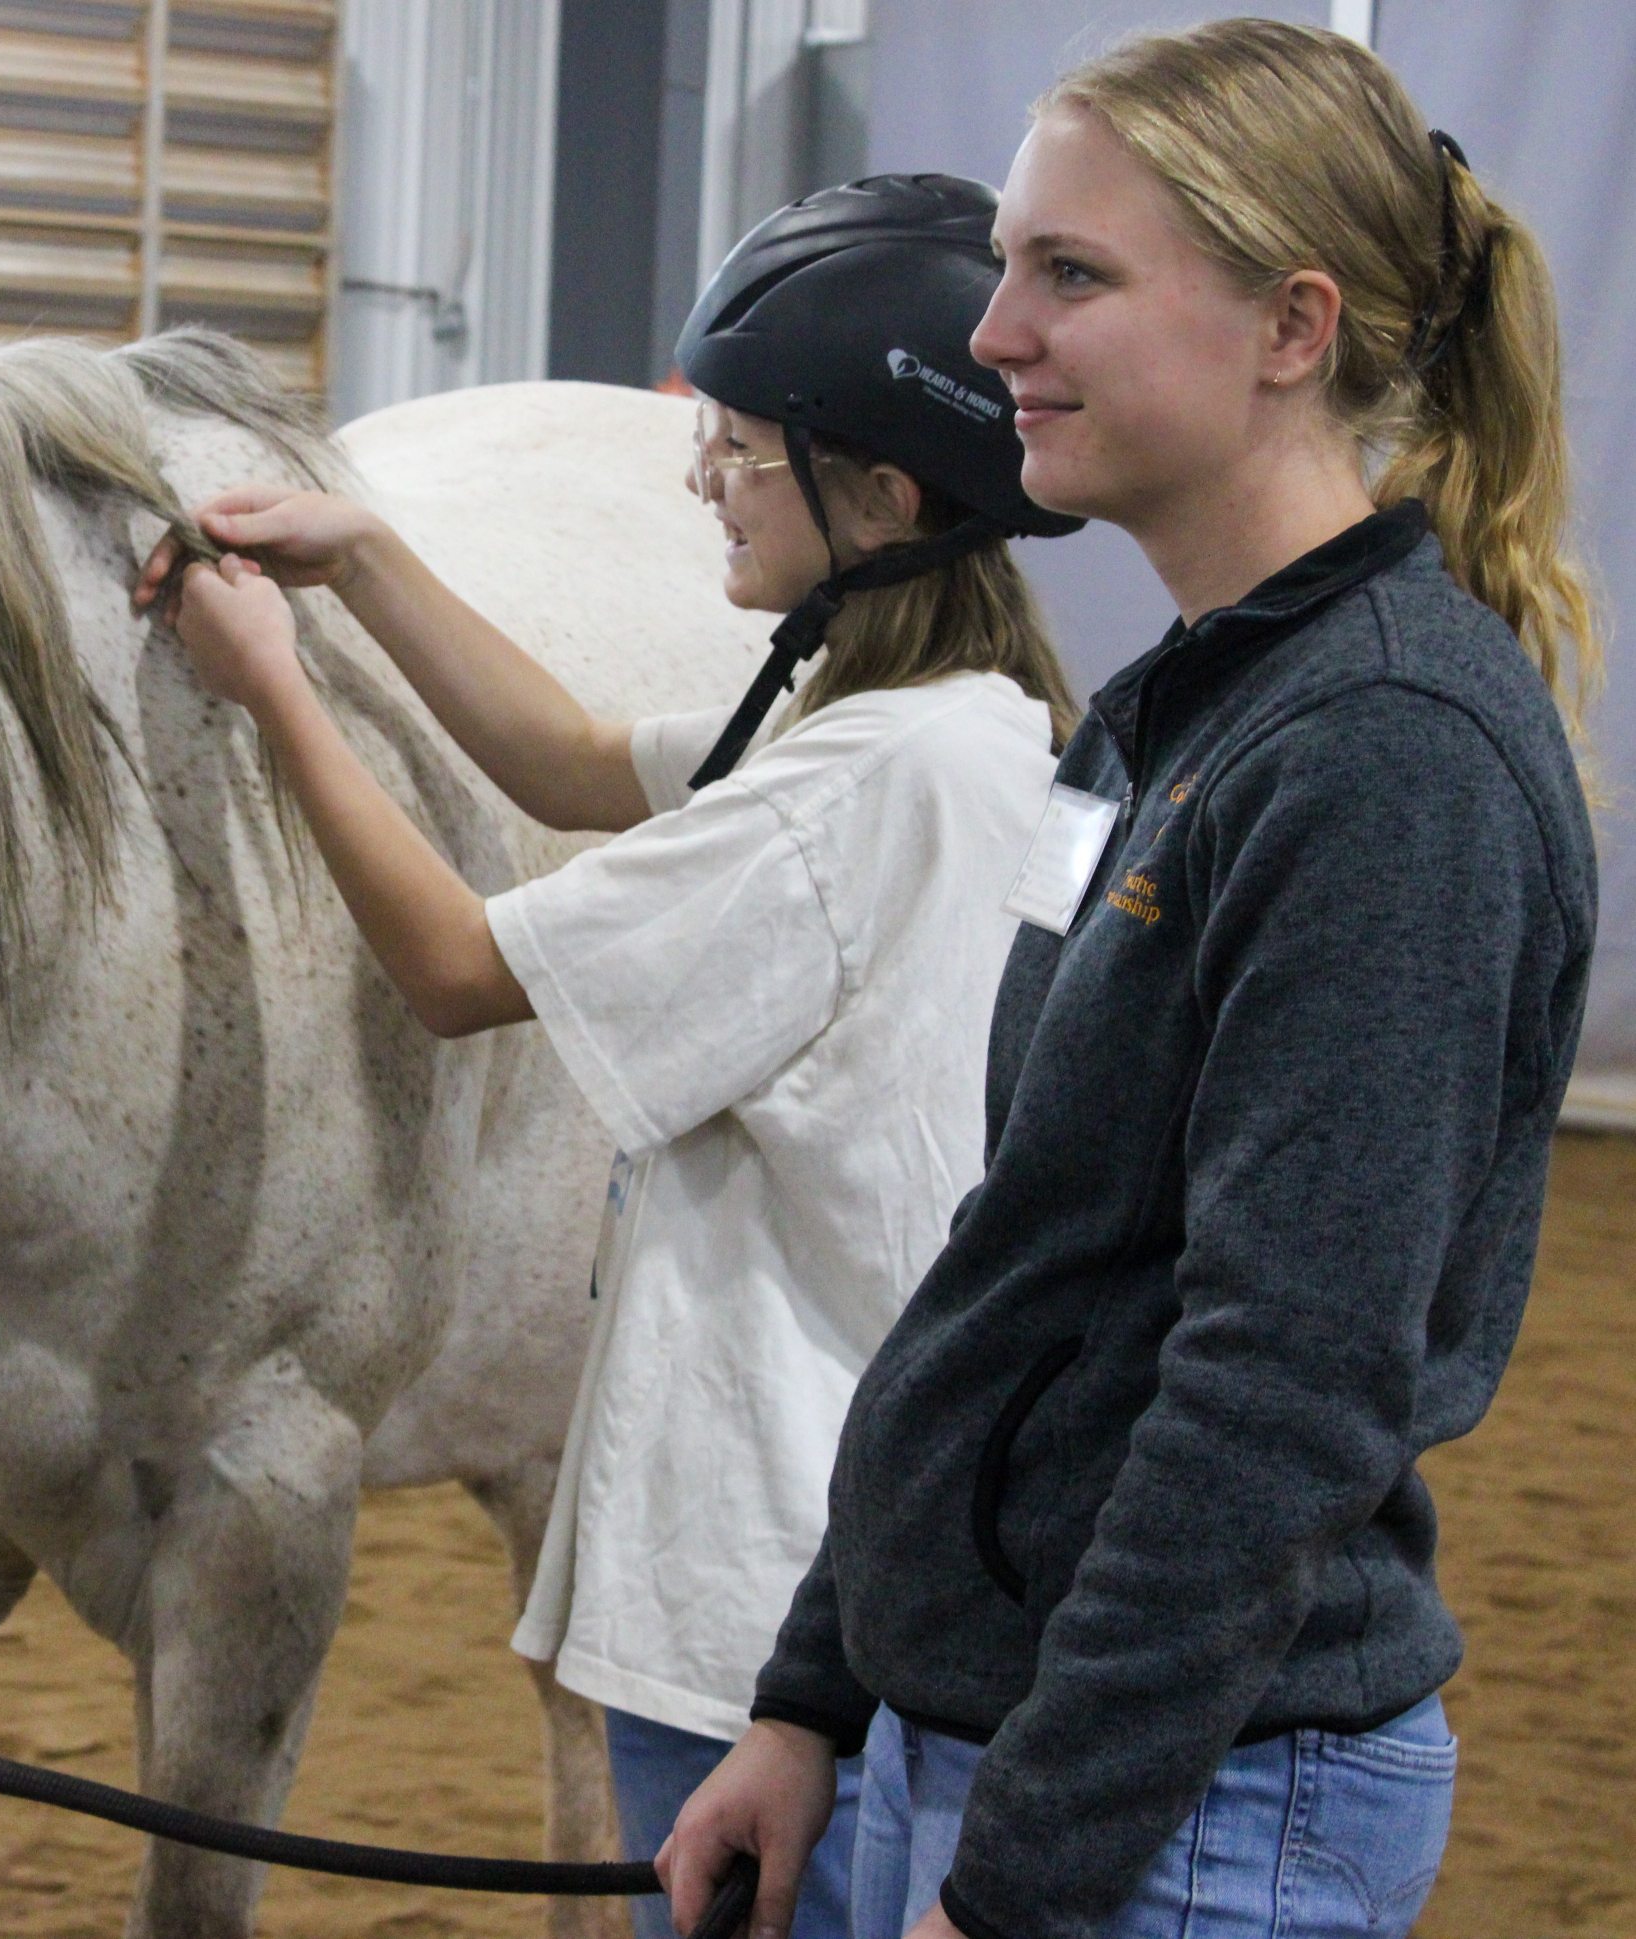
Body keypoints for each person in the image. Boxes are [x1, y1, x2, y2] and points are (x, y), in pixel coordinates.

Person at [663, 22, 1601, 1939]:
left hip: (1185, 1812)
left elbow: (1281, 1389)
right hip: (1027, 1746)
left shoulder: (1385, 757)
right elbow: (1023, 1251)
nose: (993, 332)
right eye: (1011, 263)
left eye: (1065, 275)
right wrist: (816, 1689)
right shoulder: (1175, 714)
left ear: (1288, 327)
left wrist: (1018, 1884)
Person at [138, 176, 1084, 1939]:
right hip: (853, 1542)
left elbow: (447, 963)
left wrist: (271, 685)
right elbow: (568, 755)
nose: (694, 477)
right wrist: (362, 564)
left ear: (878, 493)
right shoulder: (941, 725)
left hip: (759, 1575)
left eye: (736, 447)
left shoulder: (848, 787)